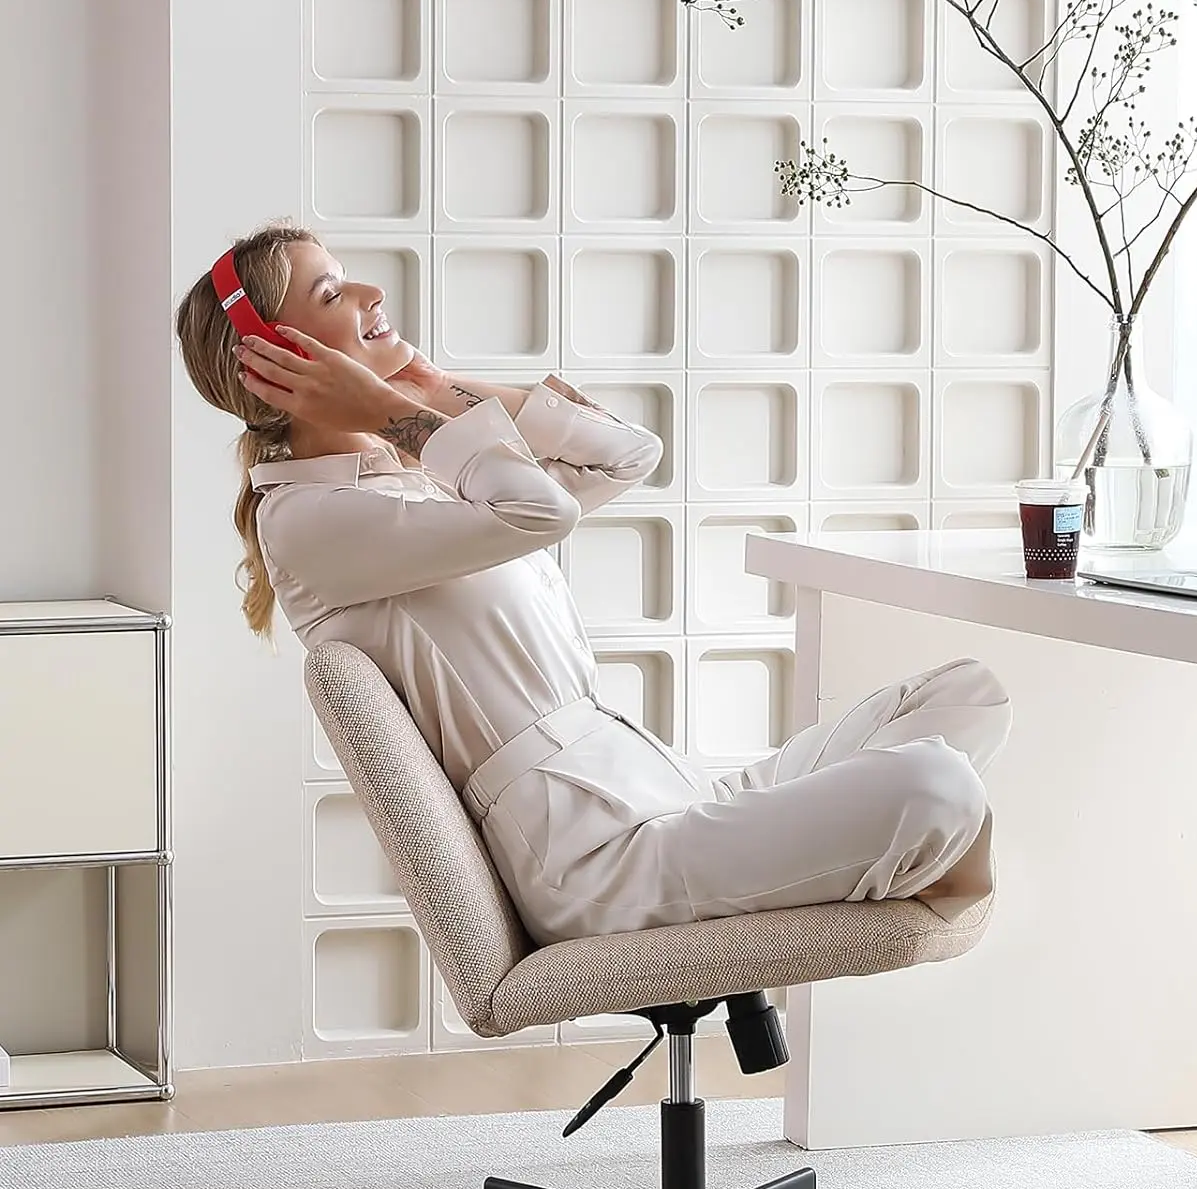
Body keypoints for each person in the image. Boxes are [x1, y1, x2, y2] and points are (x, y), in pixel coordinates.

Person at [175, 223, 1011, 946]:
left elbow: (627, 455)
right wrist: (399, 416)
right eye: (332, 292)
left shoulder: (414, 475)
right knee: (936, 786)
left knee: (968, 696)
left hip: (667, 793)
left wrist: (430, 389)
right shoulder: (308, 521)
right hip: (599, 859)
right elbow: (542, 511)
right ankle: (890, 852)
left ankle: (872, 853)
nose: (370, 293)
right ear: (280, 358)